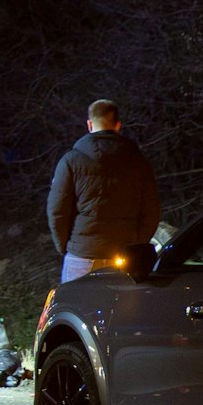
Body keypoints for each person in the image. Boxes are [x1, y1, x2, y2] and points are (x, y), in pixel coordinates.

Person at [48, 99, 161, 282]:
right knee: (121, 310)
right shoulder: (139, 162)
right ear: (118, 125)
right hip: (125, 254)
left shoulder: (71, 160)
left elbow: (57, 210)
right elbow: (151, 211)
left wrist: (68, 246)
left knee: (76, 307)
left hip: (82, 254)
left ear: (89, 124)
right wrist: (136, 243)